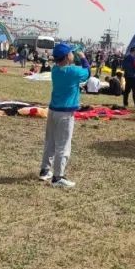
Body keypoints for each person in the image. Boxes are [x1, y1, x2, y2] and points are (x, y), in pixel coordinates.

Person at [38, 43, 90, 189]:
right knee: (63, 145)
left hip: (53, 110)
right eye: (71, 53)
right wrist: (84, 58)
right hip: (65, 113)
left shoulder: (55, 70)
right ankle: (58, 177)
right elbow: (87, 73)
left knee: (50, 142)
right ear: (68, 56)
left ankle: (45, 170)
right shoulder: (73, 71)